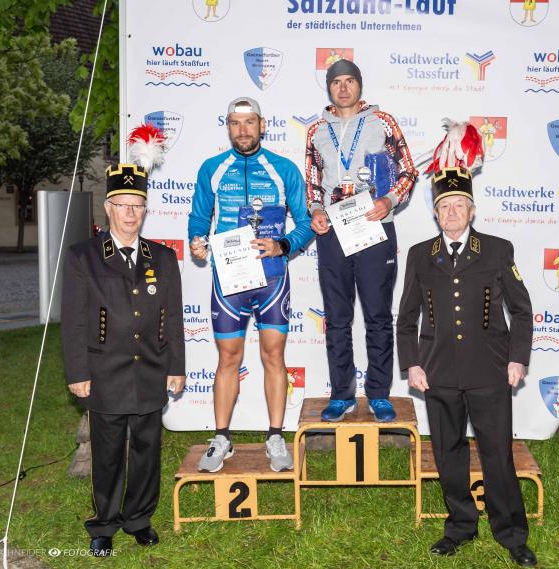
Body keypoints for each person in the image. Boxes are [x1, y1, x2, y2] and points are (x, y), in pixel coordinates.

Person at [396, 167, 538, 567]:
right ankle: (460, 526)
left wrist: (517, 358)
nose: (452, 212)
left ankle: (511, 534)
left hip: (490, 370)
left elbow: (521, 310)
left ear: (472, 211)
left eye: (460, 205)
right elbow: (406, 318)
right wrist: (412, 364)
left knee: (497, 454)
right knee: (448, 453)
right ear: (435, 213)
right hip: (438, 372)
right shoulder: (420, 255)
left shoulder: (496, 250)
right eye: (445, 206)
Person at [61, 152, 185, 557]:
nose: (130, 214)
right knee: (108, 453)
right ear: (108, 208)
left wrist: (176, 367)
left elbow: (174, 317)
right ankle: (104, 524)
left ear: (145, 210)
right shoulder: (83, 256)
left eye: (137, 206)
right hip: (104, 371)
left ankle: (139, 519)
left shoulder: (162, 258)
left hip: (150, 368)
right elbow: (74, 321)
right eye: (122, 205)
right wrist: (78, 372)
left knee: (147, 450)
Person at [188, 97, 314, 473]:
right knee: (228, 358)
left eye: (249, 122)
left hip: (271, 276)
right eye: (235, 123)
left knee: (274, 356)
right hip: (229, 279)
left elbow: (305, 223)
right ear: (227, 126)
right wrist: (197, 240)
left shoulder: (284, 169)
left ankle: (275, 436)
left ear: (262, 125)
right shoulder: (211, 168)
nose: (242, 130)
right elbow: (199, 218)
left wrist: (283, 245)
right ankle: (221, 438)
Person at [305, 59, 418, 422]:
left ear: (359, 85)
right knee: (337, 318)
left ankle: (379, 393)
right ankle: (342, 394)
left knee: (378, 316)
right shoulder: (316, 130)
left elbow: (408, 170)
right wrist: (315, 210)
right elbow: (312, 181)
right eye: (336, 82)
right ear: (328, 88)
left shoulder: (382, 122)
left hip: (374, 225)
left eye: (349, 81)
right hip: (334, 231)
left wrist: (390, 200)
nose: (343, 88)